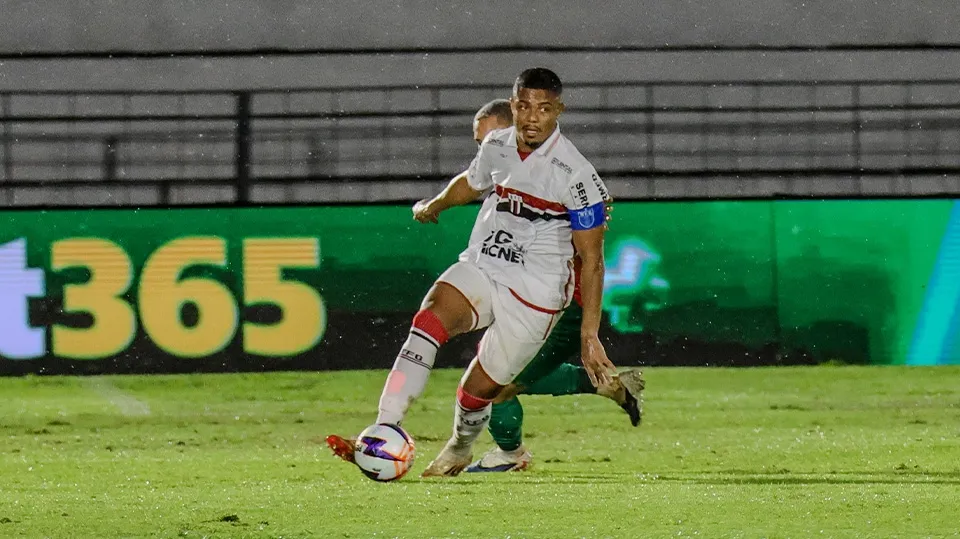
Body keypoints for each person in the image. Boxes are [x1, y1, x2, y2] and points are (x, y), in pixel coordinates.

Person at [328, 67, 618, 477]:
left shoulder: (577, 176)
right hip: (486, 266)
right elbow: (472, 182)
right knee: (428, 320)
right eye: (524, 106)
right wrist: (435, 205)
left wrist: (589, 335)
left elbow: (592, 260)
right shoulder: (498, 144)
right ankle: (386, 423)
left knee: (477, 392)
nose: (532, 117)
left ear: (559, 111)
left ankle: (460, 447)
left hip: (536, 295)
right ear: (512, 104)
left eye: (544, 108)